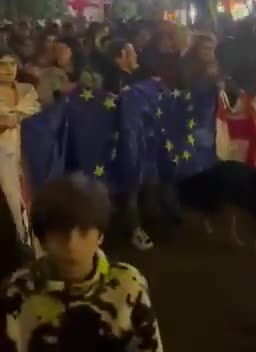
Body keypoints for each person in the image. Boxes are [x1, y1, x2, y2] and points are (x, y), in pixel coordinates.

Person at [0, 174, 163, 352]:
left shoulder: (129, 285)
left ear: (100, 236)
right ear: (43, 239)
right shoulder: (16, 291)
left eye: (84, 232)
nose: (72, 244)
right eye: (60, 233)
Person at [0, 50, 40, 244]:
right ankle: (20, 243)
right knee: (11, 202)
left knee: (30, 197)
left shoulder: (27, 91)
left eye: (12, 64)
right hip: (3, 159)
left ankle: (34, 243)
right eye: (3, 65)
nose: (8, 69)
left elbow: (42, 122)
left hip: (27, 157)